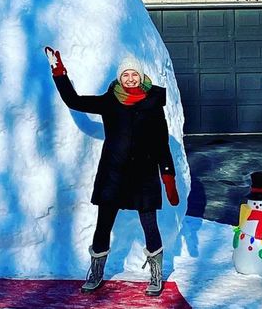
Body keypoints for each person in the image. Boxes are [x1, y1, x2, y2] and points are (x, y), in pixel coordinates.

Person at [46, 46, 178, 296]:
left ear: (141, 77)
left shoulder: (152, 104)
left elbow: (161, 142)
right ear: (119, 78)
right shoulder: (110, 101)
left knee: (150, 225)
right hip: (113, 174)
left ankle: (156, 275)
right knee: (103, 225)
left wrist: (168, 174)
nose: (130, 79)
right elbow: (74, 101)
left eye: (134, 75)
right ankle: (96, 272)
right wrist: (59, 72)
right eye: (126, 75)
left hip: (144, 175)